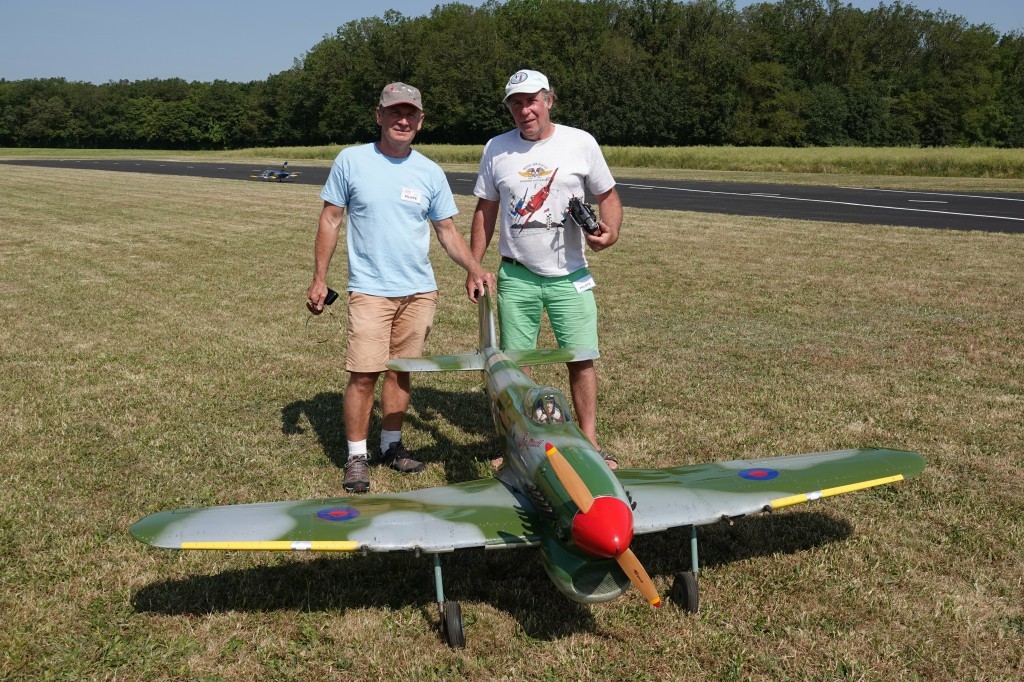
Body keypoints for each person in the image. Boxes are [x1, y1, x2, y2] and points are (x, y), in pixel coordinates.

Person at [307, 82, 494, 493]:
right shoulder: (351, 160)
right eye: (394, 112)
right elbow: (331, 220)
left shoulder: (429, 171)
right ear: (379, 115)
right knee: (363, 374)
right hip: (370, 289)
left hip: (419, 291)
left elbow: (446, 229)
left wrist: (475, 267)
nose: (403, 120)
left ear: (421, 121)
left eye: (410, 114)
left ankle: (391, 446)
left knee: (402, 372)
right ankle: (357, 456)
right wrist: (320, 278)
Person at [468, 69, 622, 468]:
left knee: (581, 357)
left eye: (531, 100)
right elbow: (486, 209)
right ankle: (521, 446)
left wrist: (611, 231)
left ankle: (588, 442)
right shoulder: (496, 148)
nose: (525, 110)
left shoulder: (580, 142)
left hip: (570, 275)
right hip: (516, 275)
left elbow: (608, 195)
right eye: (516, 103)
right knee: (515, 365)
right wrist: (473, 265)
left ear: (548, 101)